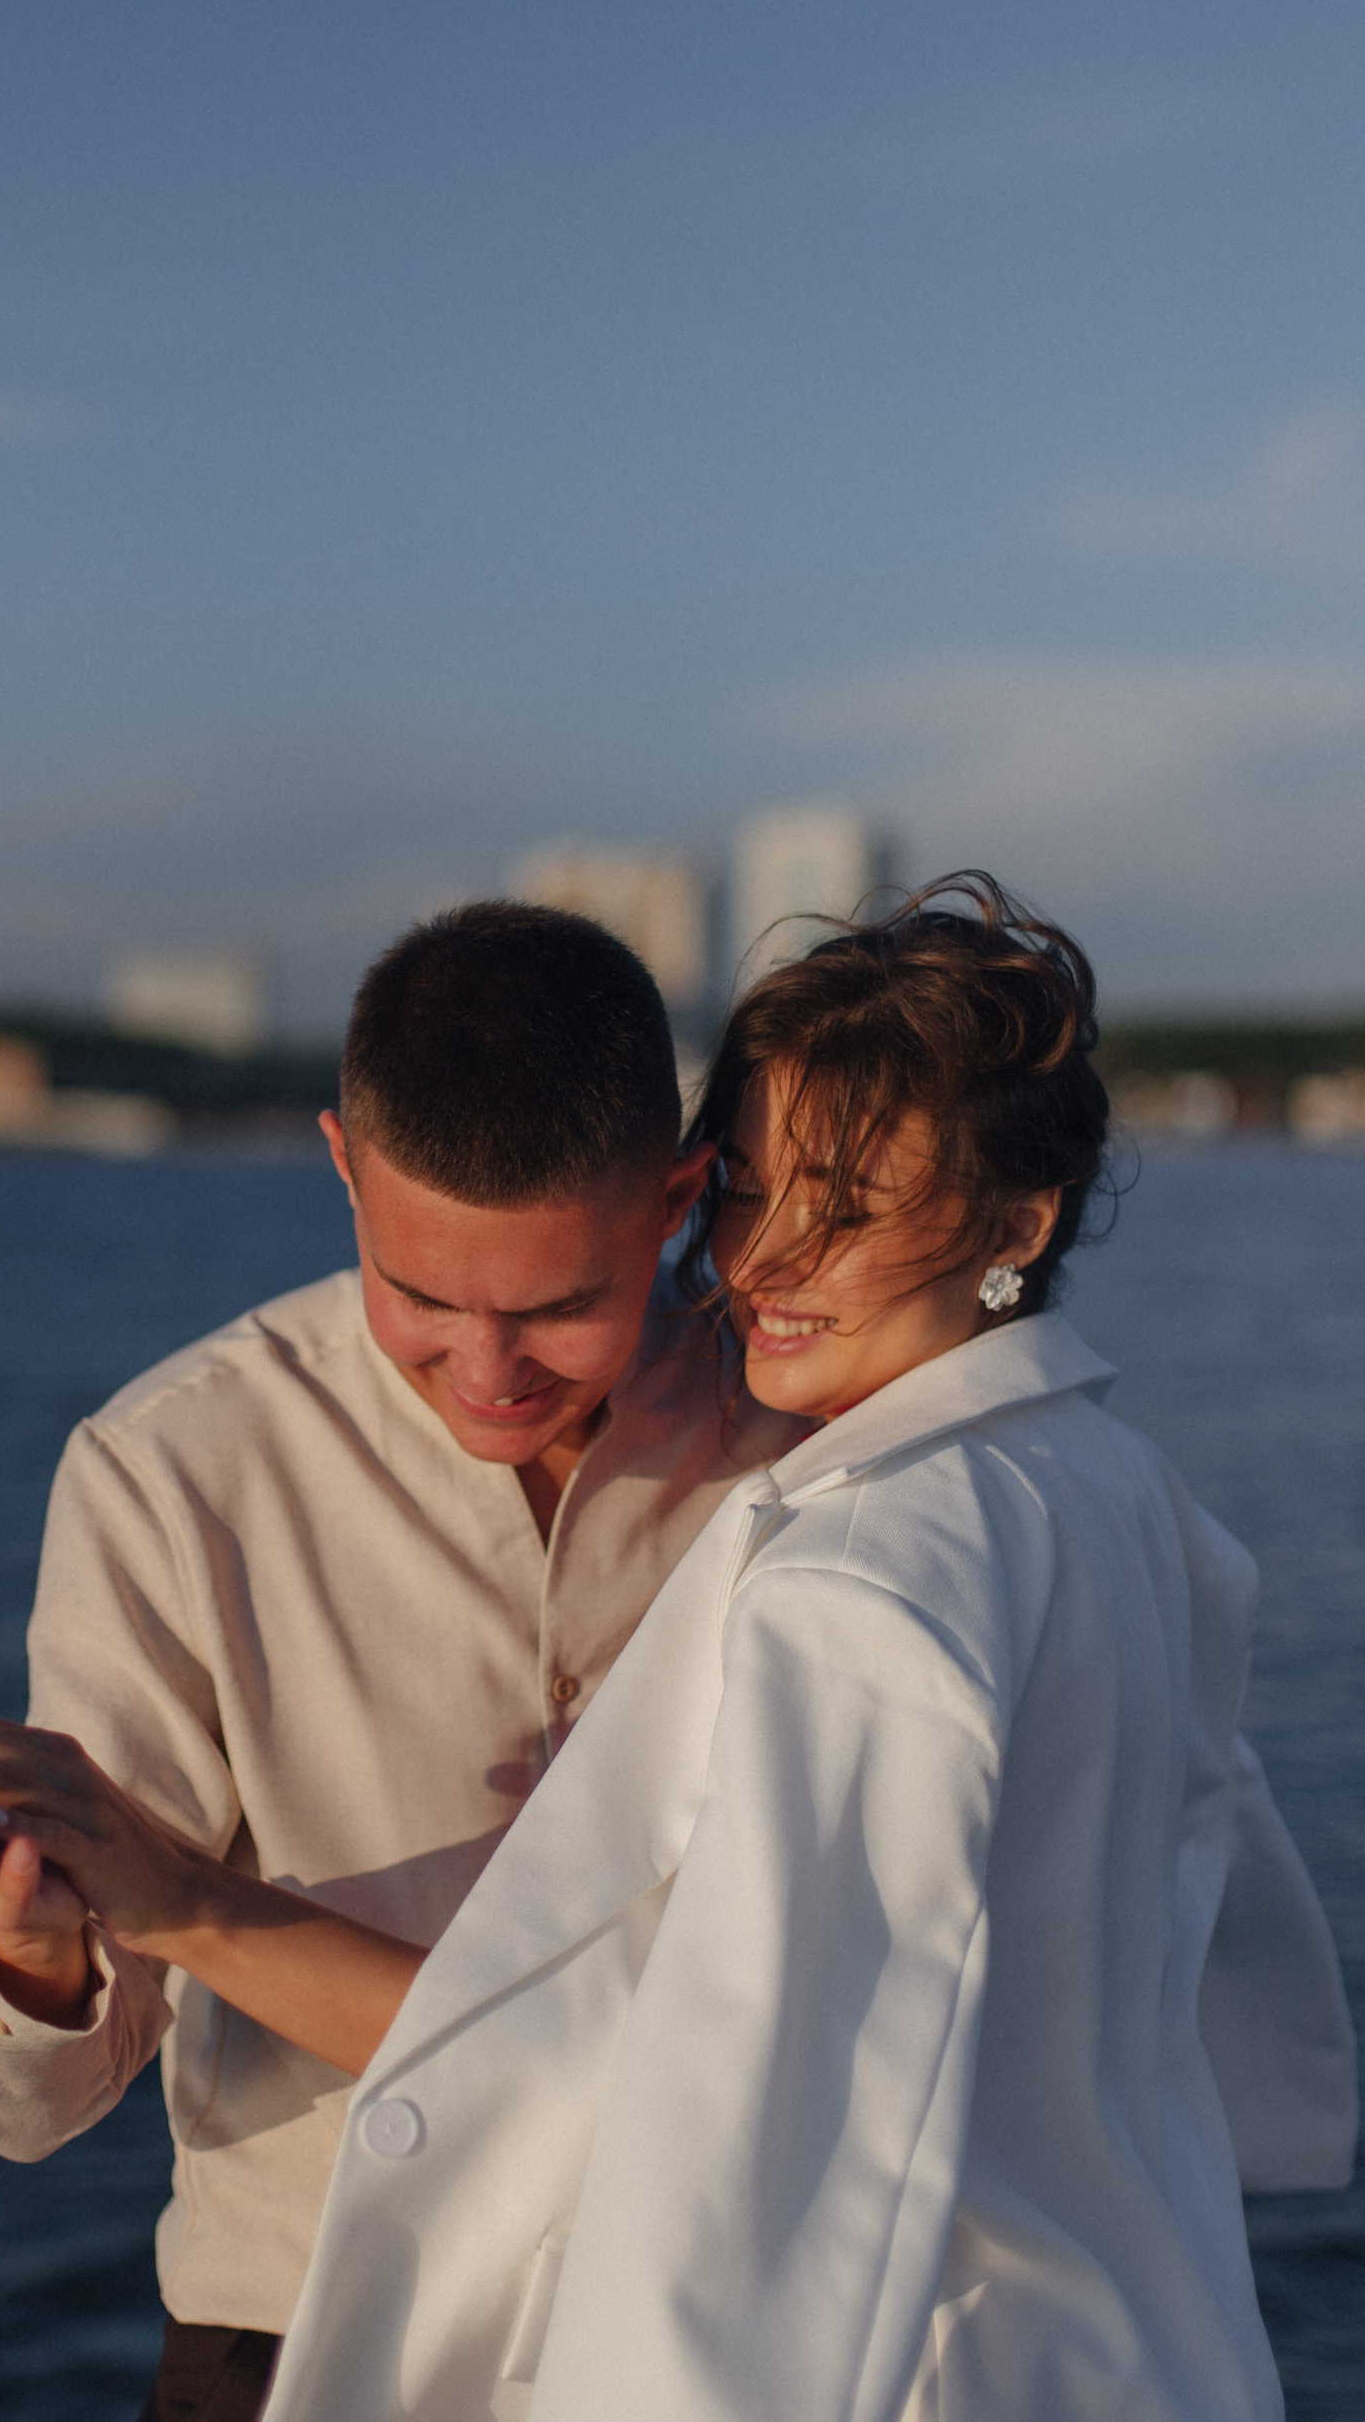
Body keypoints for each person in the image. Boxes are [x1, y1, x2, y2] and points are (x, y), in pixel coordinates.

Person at [236, 877, 1356, 2421]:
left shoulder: (862, 1577)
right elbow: (1234, 1960)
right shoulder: (1124, 1494)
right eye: (748, 1189)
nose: (758, 1260)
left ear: (1016, 1224)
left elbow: (757, 2156)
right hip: (1145, 2343)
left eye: (840, 1209)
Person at [0, 900, 804, 2421]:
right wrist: (28, 1941)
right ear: (342, 1166)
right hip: (295, 2345)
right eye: (424, 1299)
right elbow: (35, 2107)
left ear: (677, 1199)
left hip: (719, 2343)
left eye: (560, 1309)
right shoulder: (175, 1472)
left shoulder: (810, 1437)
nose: (488, 1372)